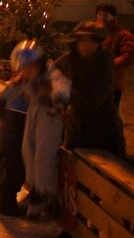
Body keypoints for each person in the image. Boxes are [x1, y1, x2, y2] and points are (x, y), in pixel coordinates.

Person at [53, 21, 125, 156]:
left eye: (92, 41)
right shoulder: (68, 60)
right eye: (83, 40)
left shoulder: (104, 64)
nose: (87, 45)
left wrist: (66, 87)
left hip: (104, 130)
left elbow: (91, 102)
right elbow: (49, 78)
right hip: (76, 128)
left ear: (99, 43)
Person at [22, 43, 70, 219]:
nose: (25, 71)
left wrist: (54, 99)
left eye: (28, 67)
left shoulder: (52, 74)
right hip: (35, 112)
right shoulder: (31, 78)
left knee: (43, 154)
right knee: (28, 150)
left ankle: (44, 195)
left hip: (49, 115)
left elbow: (62, 90)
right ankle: (35, 189)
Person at [0, 40, 37, 217]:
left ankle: (8, 202)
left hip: (16, 124)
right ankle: (7, 205)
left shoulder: (20, 84)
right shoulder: (21, 85)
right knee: (12, 165)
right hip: (16, 124)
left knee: (12, 164)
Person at [96, 3, 134, 108]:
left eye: (105, 14)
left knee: (110, 112)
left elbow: (128, 56)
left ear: (114, 16)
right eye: (99, 14)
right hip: (95, 81)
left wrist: (108, 65)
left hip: (113, 81)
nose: (101, 17)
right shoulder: (94, 32)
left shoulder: (123, 35)